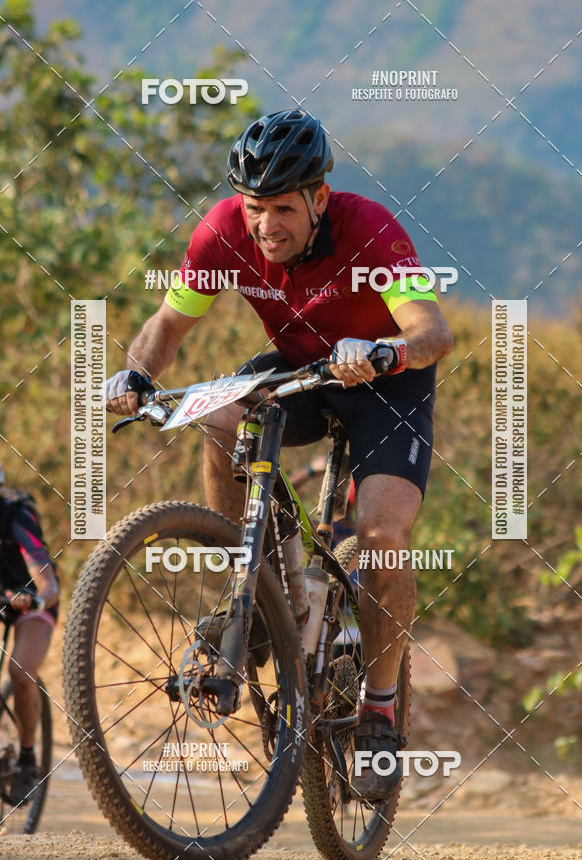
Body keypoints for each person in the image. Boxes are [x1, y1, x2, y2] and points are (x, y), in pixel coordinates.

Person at [105, 109, 453, 801]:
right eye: (255, 208)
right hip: (298, 367)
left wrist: (386, 350)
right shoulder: (222, 233)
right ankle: (263, 591)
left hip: (385, 380)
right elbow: (166, 325)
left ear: (320, 198)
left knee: (381, 540)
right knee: (218, 416)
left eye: (284, 209)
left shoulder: (371, 231)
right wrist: (136, 375)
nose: (267, 227)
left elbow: (432, 331)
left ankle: (380, 709)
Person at [0, 465, 59, 805]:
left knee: (21, 673)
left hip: (31, 602)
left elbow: (47, 583)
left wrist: (35, 599)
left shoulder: (17, 515)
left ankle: (26, 760)